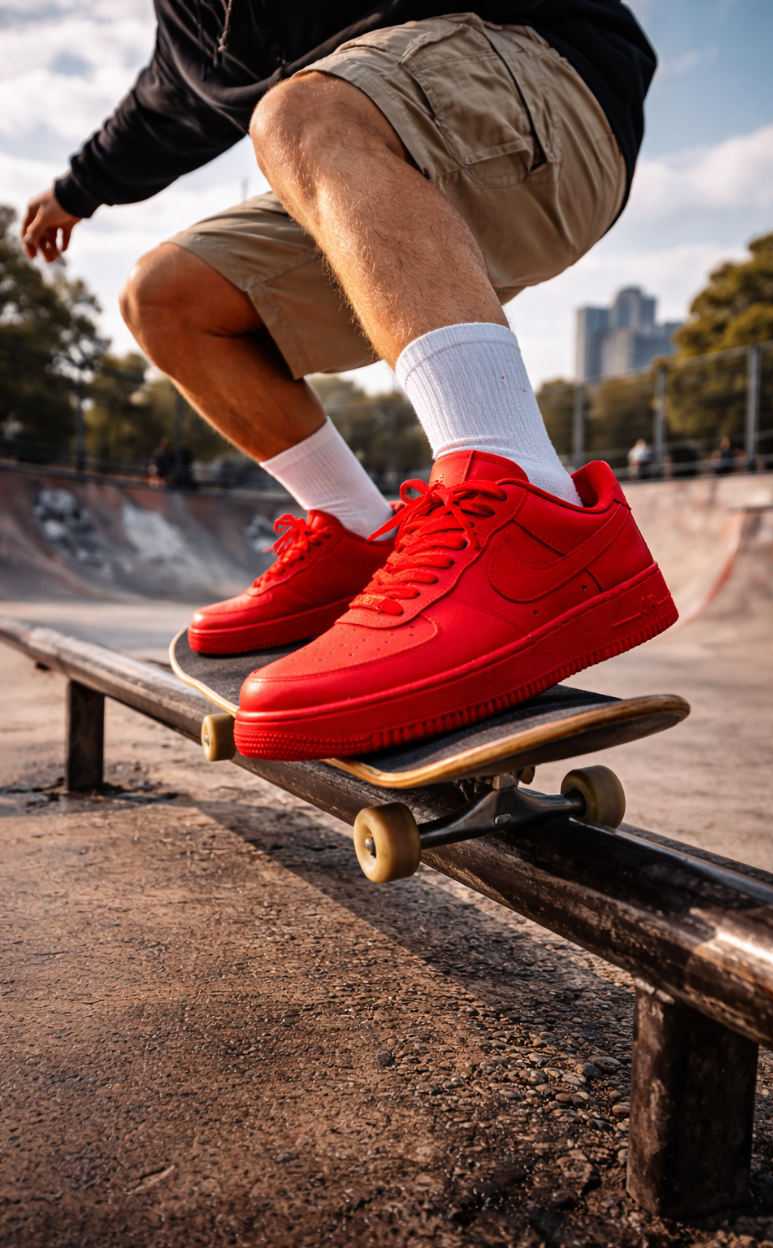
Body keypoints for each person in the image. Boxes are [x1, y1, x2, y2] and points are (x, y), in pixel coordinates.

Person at [22, 0, 677, 761]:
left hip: (554, 89)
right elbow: (170, 99)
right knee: (166, 297)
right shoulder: (190, 19)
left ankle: (528, 513)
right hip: (385, 153)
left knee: (297, 114)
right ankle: (359, 538)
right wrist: (77, 189)